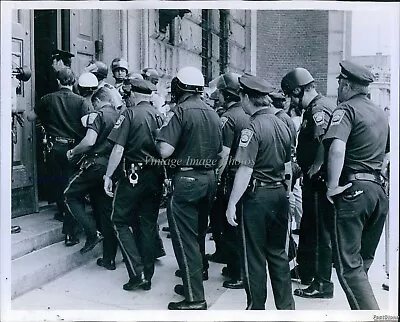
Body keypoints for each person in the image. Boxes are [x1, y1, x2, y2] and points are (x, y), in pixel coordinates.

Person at [323, 60, 389, 310]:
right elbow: (388, 154)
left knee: (349, 266)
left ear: (347, 85)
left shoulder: (345, 110)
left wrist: (331, 186)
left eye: (340, 82)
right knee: (361, 263)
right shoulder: (380, 113)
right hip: (377, 192)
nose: (338, 87)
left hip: (354, 191)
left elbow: (337, 150)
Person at [226, 73, 294, 310]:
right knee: (278, 254)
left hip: (257, 197)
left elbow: (245, 169)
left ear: (246, 97)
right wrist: (287, 192)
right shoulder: (282, 123)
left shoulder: (252, 128)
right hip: (279, 194)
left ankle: (256, 309)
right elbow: (288, 167)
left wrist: (232, 203)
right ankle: (286, 309)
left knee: (253, 256)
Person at [156, 66, 222, 310]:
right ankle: (192, 283)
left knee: (185, 240)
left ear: (179, 88)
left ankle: (195, 298)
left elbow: (165, 151)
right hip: (209, 179)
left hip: (186, 180)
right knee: (197, 235)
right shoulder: (213, 113)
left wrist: (158, 136)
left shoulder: (180, 111)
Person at [104, 78, 164, 291]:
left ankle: (136, 272)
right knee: (147, 224)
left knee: (119, 220)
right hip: (155, 176)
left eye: (128, 94)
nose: (127, 97)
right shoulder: (160, 115)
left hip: (133, 174)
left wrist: (108, 175)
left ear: (135, 94)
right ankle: (147, 274)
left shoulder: (129, 114)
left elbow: (118, 149)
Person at [281, 67, 336, 298]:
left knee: (319, 232)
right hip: (314, 180)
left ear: (297, 90)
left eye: (291, 96)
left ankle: (322, 284)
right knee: (311, 228)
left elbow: (325, 139)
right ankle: (307, 272)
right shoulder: (315, 107)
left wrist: (316, 165)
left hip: (319, 180)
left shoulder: (318, 109)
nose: (291, 102)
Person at [27, 67, 91, 246]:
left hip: (55, 147)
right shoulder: (81, 102)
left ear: (58, 82)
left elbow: (30, 117)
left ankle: (63, 212)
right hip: (75, 149)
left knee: (59, 182)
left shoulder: (48, 99)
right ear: (74, 81)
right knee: (72, 187)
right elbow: (90, 125)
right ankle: (70, 231)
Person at [64, 87, 120, 266]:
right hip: (111, 169)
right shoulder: (120, 116)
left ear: (96, 101)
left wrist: (73, 151)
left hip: (95, 165)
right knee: (105, 210)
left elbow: (89, 141)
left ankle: (91, 233)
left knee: (69, 194)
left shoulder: (98, 115)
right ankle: (109, 259)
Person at [211, 72, 248, 290]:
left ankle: (239, 272)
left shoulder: (228, 118)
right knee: (239, 225)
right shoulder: (247, 113)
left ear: (226, 95)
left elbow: (223, 154)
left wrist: (216, 178)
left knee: (230, 226)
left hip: (231, 176)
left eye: (220, 95)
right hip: (245, 176)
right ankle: (236, 267)